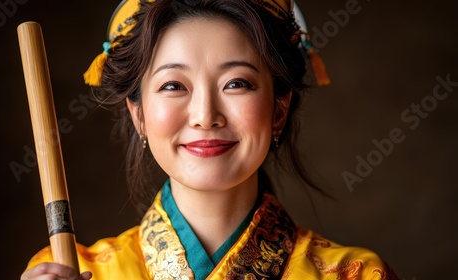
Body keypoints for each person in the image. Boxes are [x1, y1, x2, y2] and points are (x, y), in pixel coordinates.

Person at [21, 0, 399, 279]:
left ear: (279, 110)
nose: (205, 115)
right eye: (173, 86)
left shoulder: (356, 274)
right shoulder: (66, 271)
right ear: (139, 115)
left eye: (236, 83)